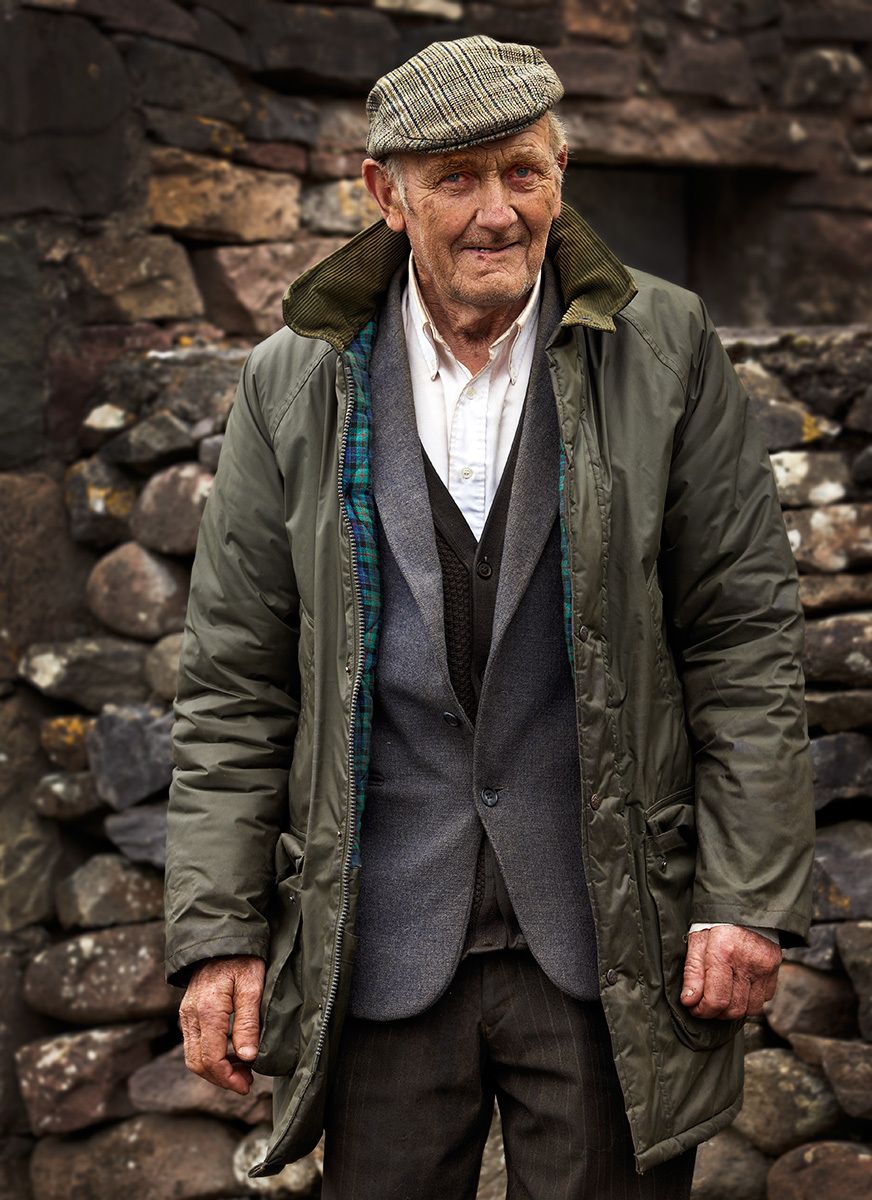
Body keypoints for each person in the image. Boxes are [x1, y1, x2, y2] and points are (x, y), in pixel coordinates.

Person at [163, 35, 815, 1200]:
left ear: (561, 169)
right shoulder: (295, 379)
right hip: (380, 946)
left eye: (522, 171)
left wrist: (743, 895)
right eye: (455, 180)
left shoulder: (662, 345)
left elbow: (740, 636)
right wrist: (218, 934)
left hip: (608, 939)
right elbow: (235, 681)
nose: (496, 213)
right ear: (384, 194)